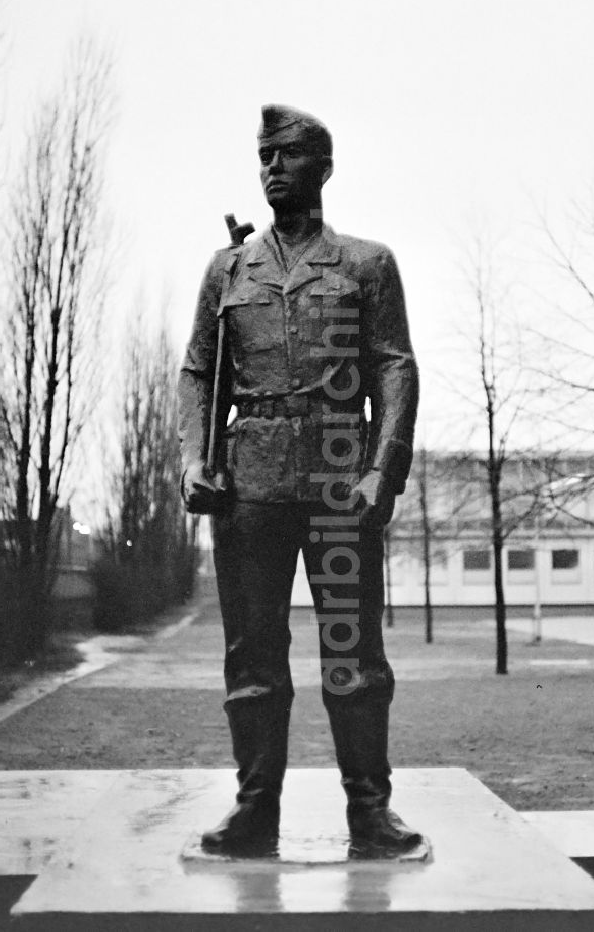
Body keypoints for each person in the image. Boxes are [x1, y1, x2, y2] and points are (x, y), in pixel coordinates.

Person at [178, 104, 420, 858]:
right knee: (252, 657)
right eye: (263, 157)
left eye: (285, 154)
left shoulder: (366, 264)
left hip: (339, 481)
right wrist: (193, 458)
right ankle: (256, 809)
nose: (270, 168)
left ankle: (370, 811)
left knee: (353, 654)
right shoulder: (229, 270)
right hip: (248, 489)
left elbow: (394, 367)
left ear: (323, 166)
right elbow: (196, 374)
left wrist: (386, 467)